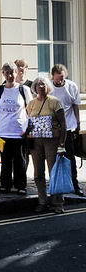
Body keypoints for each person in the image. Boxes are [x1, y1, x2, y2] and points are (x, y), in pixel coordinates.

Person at [26, 76, 67, 214]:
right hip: (36, 141)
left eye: (43, 84)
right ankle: (42, 201)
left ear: (47, 86)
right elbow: (28, 122)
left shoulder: (55, 102)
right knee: (38, 173)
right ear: (35, 88)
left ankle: (58, 203)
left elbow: (63, 124)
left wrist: (62, 142)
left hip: (52, 141)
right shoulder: (31, 103)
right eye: (38, 85)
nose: (40, 87)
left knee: (53, 172)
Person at [0, 62, 33, 195]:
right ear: (3, 74)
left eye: (12, 72)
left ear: (17, 73)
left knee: (20, 160)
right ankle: (5, 185)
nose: (10, 75)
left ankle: (21, 185)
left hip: (19, 132)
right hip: (3, 132)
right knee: (5, 160)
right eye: (7, 73)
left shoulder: (23, 90)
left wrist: (28, 129)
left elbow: (31, 110)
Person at [50, 64, 83, 196]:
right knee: (53, 158)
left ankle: (75, 185)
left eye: (62, 77)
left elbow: (75, 106)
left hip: (68, 127)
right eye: (57, 78)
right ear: (52, 76)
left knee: (70, 158)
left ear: (65, 75)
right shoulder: (49, 87)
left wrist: (78, 123)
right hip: (52, 129)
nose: (60, 81)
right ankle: (55, 184)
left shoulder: (71, 86)